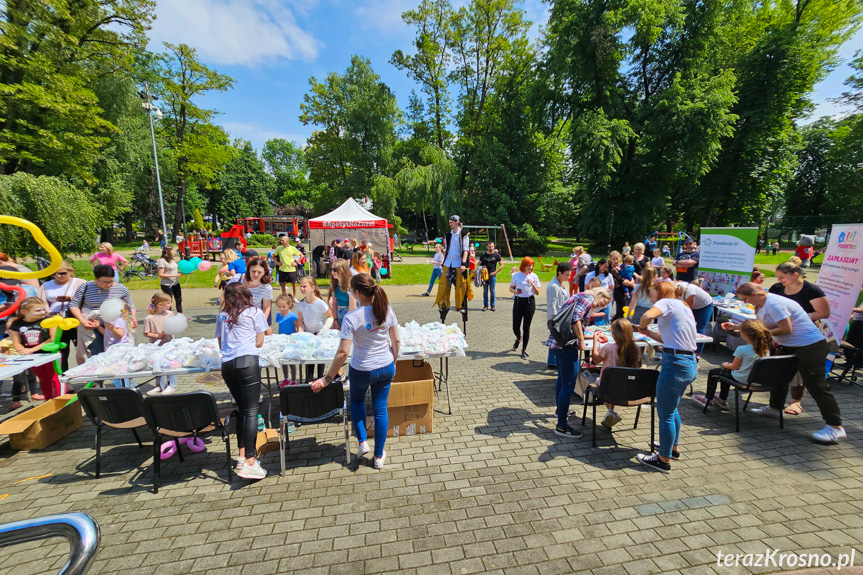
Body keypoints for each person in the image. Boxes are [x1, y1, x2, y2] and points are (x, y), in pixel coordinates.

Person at [725, 283, 844, 443]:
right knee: (776, 376)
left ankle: (835, 427)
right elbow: (762, 325)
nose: (746, 303)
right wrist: (737, 326)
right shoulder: (761, 305)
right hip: (789, 345)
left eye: (746, 299)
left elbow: (786, 329)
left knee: (816, 385)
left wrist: (762, 335)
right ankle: (775, 408)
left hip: (809, 346)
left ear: (754, 294)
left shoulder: (775, 304)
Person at [311, 274, 400, 470]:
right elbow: (397, 341)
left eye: (351, 291)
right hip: (385, 366)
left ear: (357, 293)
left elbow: (343, 352)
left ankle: (362, 443)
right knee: (380, 408)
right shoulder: (387, 309)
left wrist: (327, 378)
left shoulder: (352, 318)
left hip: (361, 369)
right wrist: (392, 361)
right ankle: (378, 456)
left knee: (358, 402)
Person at [635, 282, 699, 473]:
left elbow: (646, 315)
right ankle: (673, 448)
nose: (651, 299)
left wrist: (643, 323)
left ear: (661, 292)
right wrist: (646, 331)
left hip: (675, 364)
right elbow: (668, 339)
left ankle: (663, 460)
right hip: (688, 363)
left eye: (652, 294)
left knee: (665, 414)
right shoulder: (683, 306)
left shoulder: (667, 303)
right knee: (672, 410)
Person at [217, 283, 269, 480]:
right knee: (251, 410)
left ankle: (241, 456)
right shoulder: (254, 312)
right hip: (247, 361)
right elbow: (260, 341)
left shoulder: (222, 315)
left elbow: (220, 343)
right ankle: (250, 460)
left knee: (242, 409)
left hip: (227, 364)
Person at [545, 287, 613, 438]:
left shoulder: (580, 296)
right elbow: (575, 318)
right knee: (568, 386)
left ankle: (560, 411)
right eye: (604, 301)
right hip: (567, 346)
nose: (602, 305)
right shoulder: (588, 298)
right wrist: (582, 340)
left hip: (559, 342)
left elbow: (574, 323)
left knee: (562, 380)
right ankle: (562, 426)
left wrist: (592, 337)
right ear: (600, 295)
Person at [766, 261, 830, 415]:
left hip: (803, 336)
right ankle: (775, 405)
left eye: (782, 277)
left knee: (800, 371)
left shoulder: (812, 291)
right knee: (780, 369)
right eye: (778, 277)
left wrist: (798, 317)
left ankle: (796, 402)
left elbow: (824, 313)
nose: (779, 280)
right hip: (780, 334)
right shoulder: (777, 288)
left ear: (795, 275)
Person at [694, 319, 772, 410]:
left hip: (742, 379)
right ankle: (722, 399)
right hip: (757, 381)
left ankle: (708, 398)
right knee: (724, 373)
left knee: (714, 372)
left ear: (744, 334)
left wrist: (725, 364)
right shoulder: (766, 350)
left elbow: (735, 367)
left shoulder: (742, 349)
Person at [68, 265, 137, 358]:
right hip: (92, 324)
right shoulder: (85, 287)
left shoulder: (121, 288)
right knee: (97, 353)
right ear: (96, 279)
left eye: (111, 281)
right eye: (104, 282)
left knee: (117, 353)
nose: (108, 285)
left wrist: (133, 317)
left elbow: (130, 305)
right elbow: (74, 305)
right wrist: (83, 321)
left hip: (114, 324)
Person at [592, 319, 641, 428]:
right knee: (614, 382)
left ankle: (611, 411)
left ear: (614, 334)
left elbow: (595, 360)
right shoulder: (635, 349)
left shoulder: (608, 348)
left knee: (602, 383)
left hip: (608, 387)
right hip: (628, 388)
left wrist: (595, 342)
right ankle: (610, 411)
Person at [8, 298, 61, 400]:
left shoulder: (48, 320)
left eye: (43, 309)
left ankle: (60, 399)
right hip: (33, 357)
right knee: (43, 379)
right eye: (38, 310)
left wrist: (32, 350)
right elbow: (16, 342)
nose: (42, 312)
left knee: (54, 378)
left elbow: (53, 339)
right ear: (24, 312)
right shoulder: (16, 324)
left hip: (50, 353)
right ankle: (49, 400)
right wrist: (22, 350)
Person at [37, 262, 86, 371]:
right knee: (61, 352)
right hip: (56, 322)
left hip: (76, 321)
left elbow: (88, 300)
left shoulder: (81, 283)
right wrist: (47, 313)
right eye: (55, 274)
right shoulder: (46, 285)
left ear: (70, 271)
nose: (58, 276)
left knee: (82, 350)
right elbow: (40, 302)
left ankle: (87, 377)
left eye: (62, 273)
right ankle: (63, 380)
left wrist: (72, 299)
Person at [434, 215, 471, 322]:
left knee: (461, 286)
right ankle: (444, 305)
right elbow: (447, 249)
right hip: (448, 263)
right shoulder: (448, 235)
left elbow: (465, 250)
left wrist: (463, 263)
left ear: (457, 222)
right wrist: (443, 261)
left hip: (459, 264)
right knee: (444, 284)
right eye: (449, 222)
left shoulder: (464, 234)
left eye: (451, 222)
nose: (450, 224)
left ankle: (461, 306)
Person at [296, 276, 334, 381]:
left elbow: (330, 316)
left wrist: (323, 330)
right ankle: (309, 379)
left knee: (320, 357)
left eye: (305, 286)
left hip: (319, 333)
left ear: (313, 287)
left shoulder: (320, 303)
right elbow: (300, 319)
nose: (302, 288)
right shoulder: (301, 304)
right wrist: (300, 330)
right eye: (301, 286)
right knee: (308, 357)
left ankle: (320, 378)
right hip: (307, 334)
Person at [143, 293, 177, 395]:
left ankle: (172, 384)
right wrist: (157, 336)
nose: (171, 304)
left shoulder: (170, 314)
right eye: (168, 303)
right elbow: (145, 333)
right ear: (160, 304)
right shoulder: (149, 318)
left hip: (169, 343)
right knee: (157, 364)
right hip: (156, 345)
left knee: (170, 363)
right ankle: (160, 385)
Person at [226, 257, 274, 329]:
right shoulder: (237, 279)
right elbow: (224, 296)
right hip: (235, 318)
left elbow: (266, 307)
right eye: (253, 271)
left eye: (259, 272)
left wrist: (261, 323)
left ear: (264, 272)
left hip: (254, 320)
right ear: (248, 270)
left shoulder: (266, 287)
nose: (256, 274)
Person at [510, 257, 540, 360]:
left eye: (531, 265)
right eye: (528, 265)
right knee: (515, 326)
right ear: (523, 265)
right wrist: (515, 292)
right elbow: (511, 288)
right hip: (518, 302)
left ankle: (524, 350)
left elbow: (537, 292)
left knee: (526, 327)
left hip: (529, 302)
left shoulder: (534, 276)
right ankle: (518, 339)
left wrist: (532, 284)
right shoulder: (516, 275)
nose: (530, 267)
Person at [678, 279, 713, 357]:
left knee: (699, 329)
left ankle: (697, 356)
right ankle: (685, 350)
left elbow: (688, 310)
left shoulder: (690, 291)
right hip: (694, 306)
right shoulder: (674, 289)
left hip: (705, 306)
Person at [546, 262, 572, 369]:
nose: (569, 277)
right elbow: (552, 304)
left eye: (569, 274)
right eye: (567, 275)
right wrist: (555, 320)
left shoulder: (561, 283)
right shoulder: (553, 286)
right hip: (557, 317)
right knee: (555, 338)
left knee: (555, 338)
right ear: (559, 273)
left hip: (562, 316)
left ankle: (552, 360)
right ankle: (552, 361)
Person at [329, 259, 357, 328]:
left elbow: (352, 307)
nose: (332, 272)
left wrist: (345, 322)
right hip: (339, 314)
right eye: (332, 269)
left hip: (350, 315)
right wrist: (335, 320)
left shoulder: (351, 285)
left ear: (342, 269)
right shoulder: (334, 284)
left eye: (335, 269)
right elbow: (334, 303)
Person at [585, 259, 614, 325]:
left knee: (607, 317)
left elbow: (611, 287)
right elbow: (586, 287)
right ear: (599, 265)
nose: (606, 269)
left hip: (605, 299)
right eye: (604, 266)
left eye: (607, 267)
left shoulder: (609, 275)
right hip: (593, 298)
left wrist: (607, 297)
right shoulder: (590, 275)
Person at [156, 246, 183, 314]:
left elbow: (174, 271)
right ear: (168, 252)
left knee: (179, 299)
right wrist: (174, 275)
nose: (174, 251)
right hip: (167, 284)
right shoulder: (162, 261)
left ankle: (180, 314)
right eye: (172, 250)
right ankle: (168, 315)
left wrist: (184, 272)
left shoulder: (173, 260)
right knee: (168, 301)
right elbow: (160, 274)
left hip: (175, 283)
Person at [609, 251, 634, 321]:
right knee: (621, 311)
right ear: (610, 259)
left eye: (617, 259)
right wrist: (632, 284)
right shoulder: (612, 268)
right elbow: (621, 279)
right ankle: (616, 325)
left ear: (620, 258)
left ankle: (614, 324)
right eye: (613, 259)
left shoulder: (622, 266)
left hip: (624, 290)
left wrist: (631, 279)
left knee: (621, 311)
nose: (615, 261)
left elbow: (630, 274)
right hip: (618, 290)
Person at [479, 242, 502, 311]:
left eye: (492, 246)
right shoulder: (483, 255)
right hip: (485, 275)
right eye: (489, 246)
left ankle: (493, 305)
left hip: (493, 275)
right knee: (485, 291)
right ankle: (485, 305)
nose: (491, 248)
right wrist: (482, 268)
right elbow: (478, 264)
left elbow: (502, 265)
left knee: (492, 291)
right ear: (487, 247)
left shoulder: (496, 255)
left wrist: (496, 272)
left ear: (494, 246)